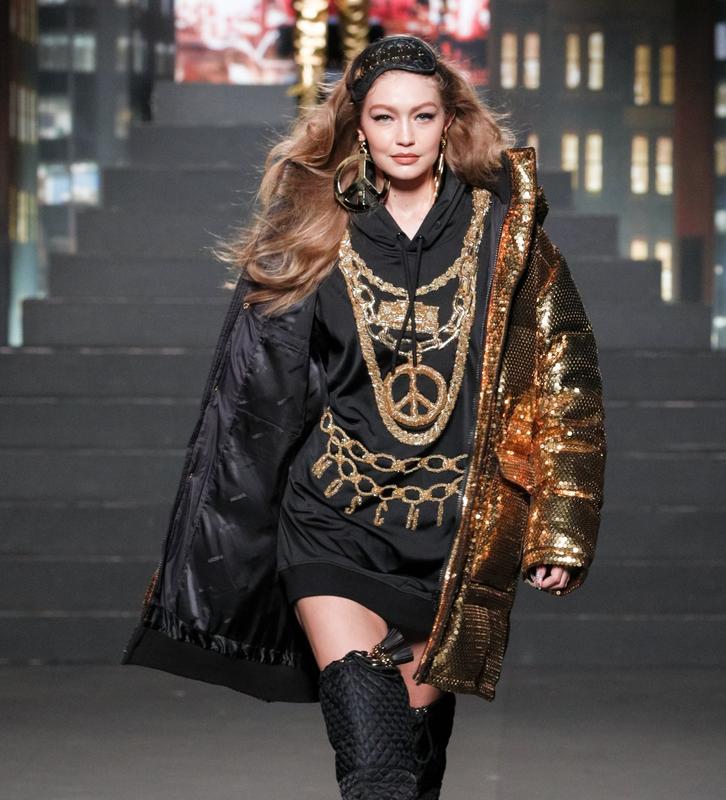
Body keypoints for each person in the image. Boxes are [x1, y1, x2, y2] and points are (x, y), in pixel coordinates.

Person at [120, 34, 607, 800]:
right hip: (332, 517)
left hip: (447, 537)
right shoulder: (315, 230)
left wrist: (561, 525)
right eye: (385, 117)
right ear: (359, 126)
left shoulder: (508, 236)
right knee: (374, 764)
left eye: (422, 115)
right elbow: (254, 396)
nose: (404, 135)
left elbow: (564, 380)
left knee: (413, 766)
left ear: (450, 121)